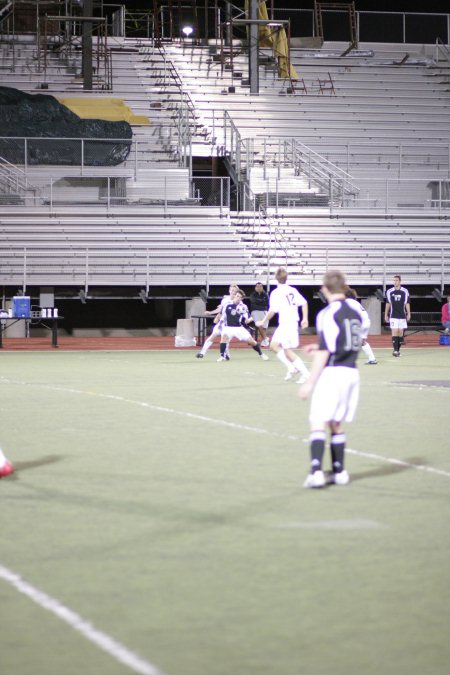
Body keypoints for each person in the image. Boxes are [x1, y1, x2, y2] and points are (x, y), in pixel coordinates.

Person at [299, 270, 370, 488]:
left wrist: (309, 382)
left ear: (326, 289)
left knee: (318, 421)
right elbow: (351, 339)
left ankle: (316, 473)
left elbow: (325, 353)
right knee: (336, 423)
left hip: (333, 372)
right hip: (351, 371)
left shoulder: (327, 313)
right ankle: (339, 472)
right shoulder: (356, 311)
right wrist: (321, 345)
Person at [256, 267, 309, 383]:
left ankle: (306, 374)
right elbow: (304, 303)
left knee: (287, 350)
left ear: (275, 278)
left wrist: (263, 321)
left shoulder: (276, 293)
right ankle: (291, 368)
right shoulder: (292, 290)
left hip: (287, 323)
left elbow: (272, 311)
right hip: (287, 323)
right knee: (273, 346)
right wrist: (305, 318)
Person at [218, 289, 269, 362]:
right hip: (228, 327)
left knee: (252, 342)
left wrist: (251, 319)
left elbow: (247, 319)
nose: (238, 298)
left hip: (239, 328)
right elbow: (223, 315)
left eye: (240, 297)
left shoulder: (243, 307)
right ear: (234, 296)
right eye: (237, 296)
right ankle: (222, 356)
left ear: (242, 298)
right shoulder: (227, 305)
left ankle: (261, 354)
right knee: (223, 339)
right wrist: (220, 323)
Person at [196, 283, 239, 359]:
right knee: (213, 336)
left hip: (230, 325)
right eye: (232, 290)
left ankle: (226, 354)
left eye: (235, 290)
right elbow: (221, 310)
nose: (233, 292)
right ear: (229, 291)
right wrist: (213, 314)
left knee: (225, 340)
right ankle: (202, 352)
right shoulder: (225, 300)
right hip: (222, 322)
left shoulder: (238, 302)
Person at [346, 288, 377, 364]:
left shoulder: (347, 302)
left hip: (361, 323)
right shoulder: (355, 302)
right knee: (361, 341)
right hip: (365, 321)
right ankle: (372, 359)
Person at [384, 274, 411, 357]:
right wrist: (386, 314)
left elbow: (407, 303)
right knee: (394, 331)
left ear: (400, 281)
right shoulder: (389, 291)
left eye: (396, 280)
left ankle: (398, 350)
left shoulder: (405, 291)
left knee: (400, 333)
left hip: (402, 315)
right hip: (393, 315)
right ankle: (395, 350)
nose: (395, 282)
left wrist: (408, 313)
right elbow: (388, 304)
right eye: (394, 280)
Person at [249, 281, 270, 346]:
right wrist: (261, 302)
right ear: (255, 287)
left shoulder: (265, 294)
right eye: (257, 287)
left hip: (264, 311)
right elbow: (253, 301)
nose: (259, 288)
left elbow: (266, 303)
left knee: (264, 326)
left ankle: (264, 339)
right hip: (255, 311)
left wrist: (258, 302)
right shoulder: (252, 294)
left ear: (262, 287)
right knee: (259, 324)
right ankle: (265, 339)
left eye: (260, 286)